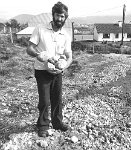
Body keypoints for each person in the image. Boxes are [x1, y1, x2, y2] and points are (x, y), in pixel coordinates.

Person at [26, 1, 72, 137]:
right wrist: (38, 54)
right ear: (53, 15)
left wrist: (64, 67)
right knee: (45, 100)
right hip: (41, 70)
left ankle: (57, 123)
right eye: (58, 15)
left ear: (65, 18)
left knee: (57, 98)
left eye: (63, 16)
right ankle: (43, 125)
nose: (60, 19)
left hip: (58, 71)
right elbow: (29, 48)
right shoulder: (40, 29)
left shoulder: (66, 35)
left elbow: (69, 56)